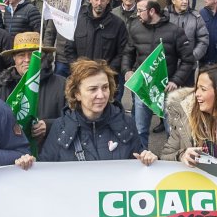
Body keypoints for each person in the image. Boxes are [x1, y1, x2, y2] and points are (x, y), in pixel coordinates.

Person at [27, 58, 157, 164]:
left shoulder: (127, 123)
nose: (101, 95)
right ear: (77, 93)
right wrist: (30, 164)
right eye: (93, 89)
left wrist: (147, 159)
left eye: (105, 87)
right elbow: (45, 169)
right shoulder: (60, 127)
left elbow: (139, 164)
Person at [122, 0, 196, 148]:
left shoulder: (175, 31)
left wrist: (176, 80)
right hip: (143, 88)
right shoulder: (135, 29)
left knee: (172, 131)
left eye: (141, 10)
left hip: (167, 91)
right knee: (140, 129)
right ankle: (141, 159)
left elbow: (188, 60)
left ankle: (171, 160)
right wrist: (127, 70)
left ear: (152, 11)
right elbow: (128, 53)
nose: (137, 14)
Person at [0, 32, 65, 141]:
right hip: (17, 155)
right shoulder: (4, 91)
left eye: (32, 54)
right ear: (14, 58)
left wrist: (50, 125)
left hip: (53, 153)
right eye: (21, 55)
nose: (27, 60)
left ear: (42, 56)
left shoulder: (62, 85)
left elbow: (75, 118)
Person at [61, 0, 131, 86]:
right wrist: (78, 69)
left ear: (108, 0)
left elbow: (122, 52)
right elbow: (69, 49)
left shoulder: (118, 24)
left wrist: (107, 71)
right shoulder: (78, 21)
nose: (99, 3)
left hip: (106, 80)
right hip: (81, 78)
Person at [167, 0, 210, 68]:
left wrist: (193, 57)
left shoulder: (196, 17)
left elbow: (203, 40)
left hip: (189, 66)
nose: (185, 1)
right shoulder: (165, 16)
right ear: (173, 0)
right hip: (168, 65)